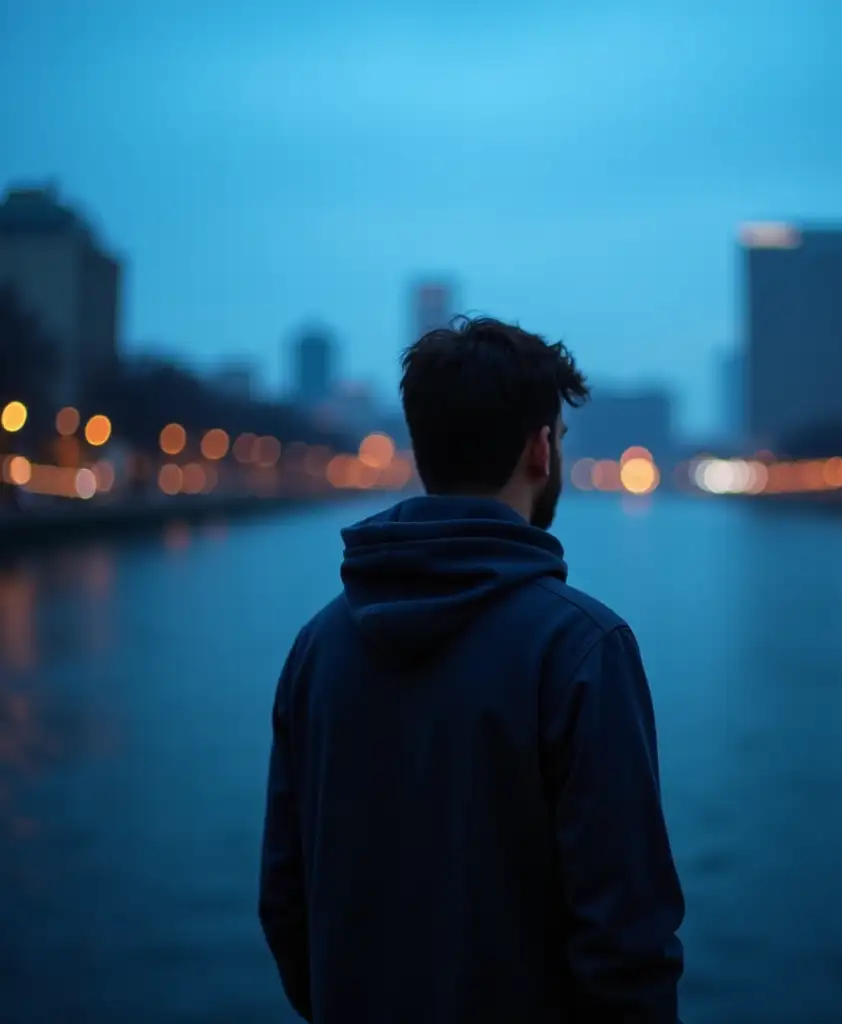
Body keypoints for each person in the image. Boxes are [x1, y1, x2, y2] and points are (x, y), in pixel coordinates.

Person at [259, 316, 685, 1023]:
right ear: (541, 450)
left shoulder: (317, 647)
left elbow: (284, 902)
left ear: (424, 450)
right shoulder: (580, 649)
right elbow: (627, 943)